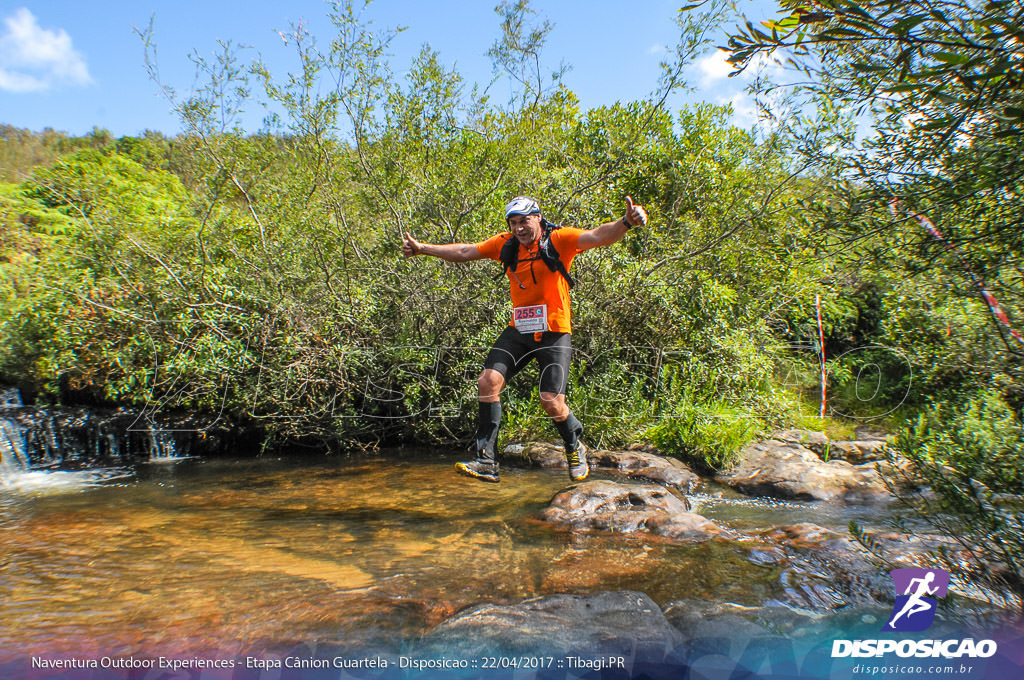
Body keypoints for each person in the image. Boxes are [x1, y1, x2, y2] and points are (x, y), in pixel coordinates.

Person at [402, 195, 648, 483]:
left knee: (551, 401)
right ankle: (487, 461)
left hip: (554, 331)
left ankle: (574, 445)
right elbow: (466, 251)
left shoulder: (559, 239)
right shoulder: (505, 243)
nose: (518, 228)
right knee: (487, 381)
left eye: (524, 221)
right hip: (520, 329)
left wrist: (625, 223)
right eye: (513, 222)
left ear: (538, 218)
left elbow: (597, 236)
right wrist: (423, 249)